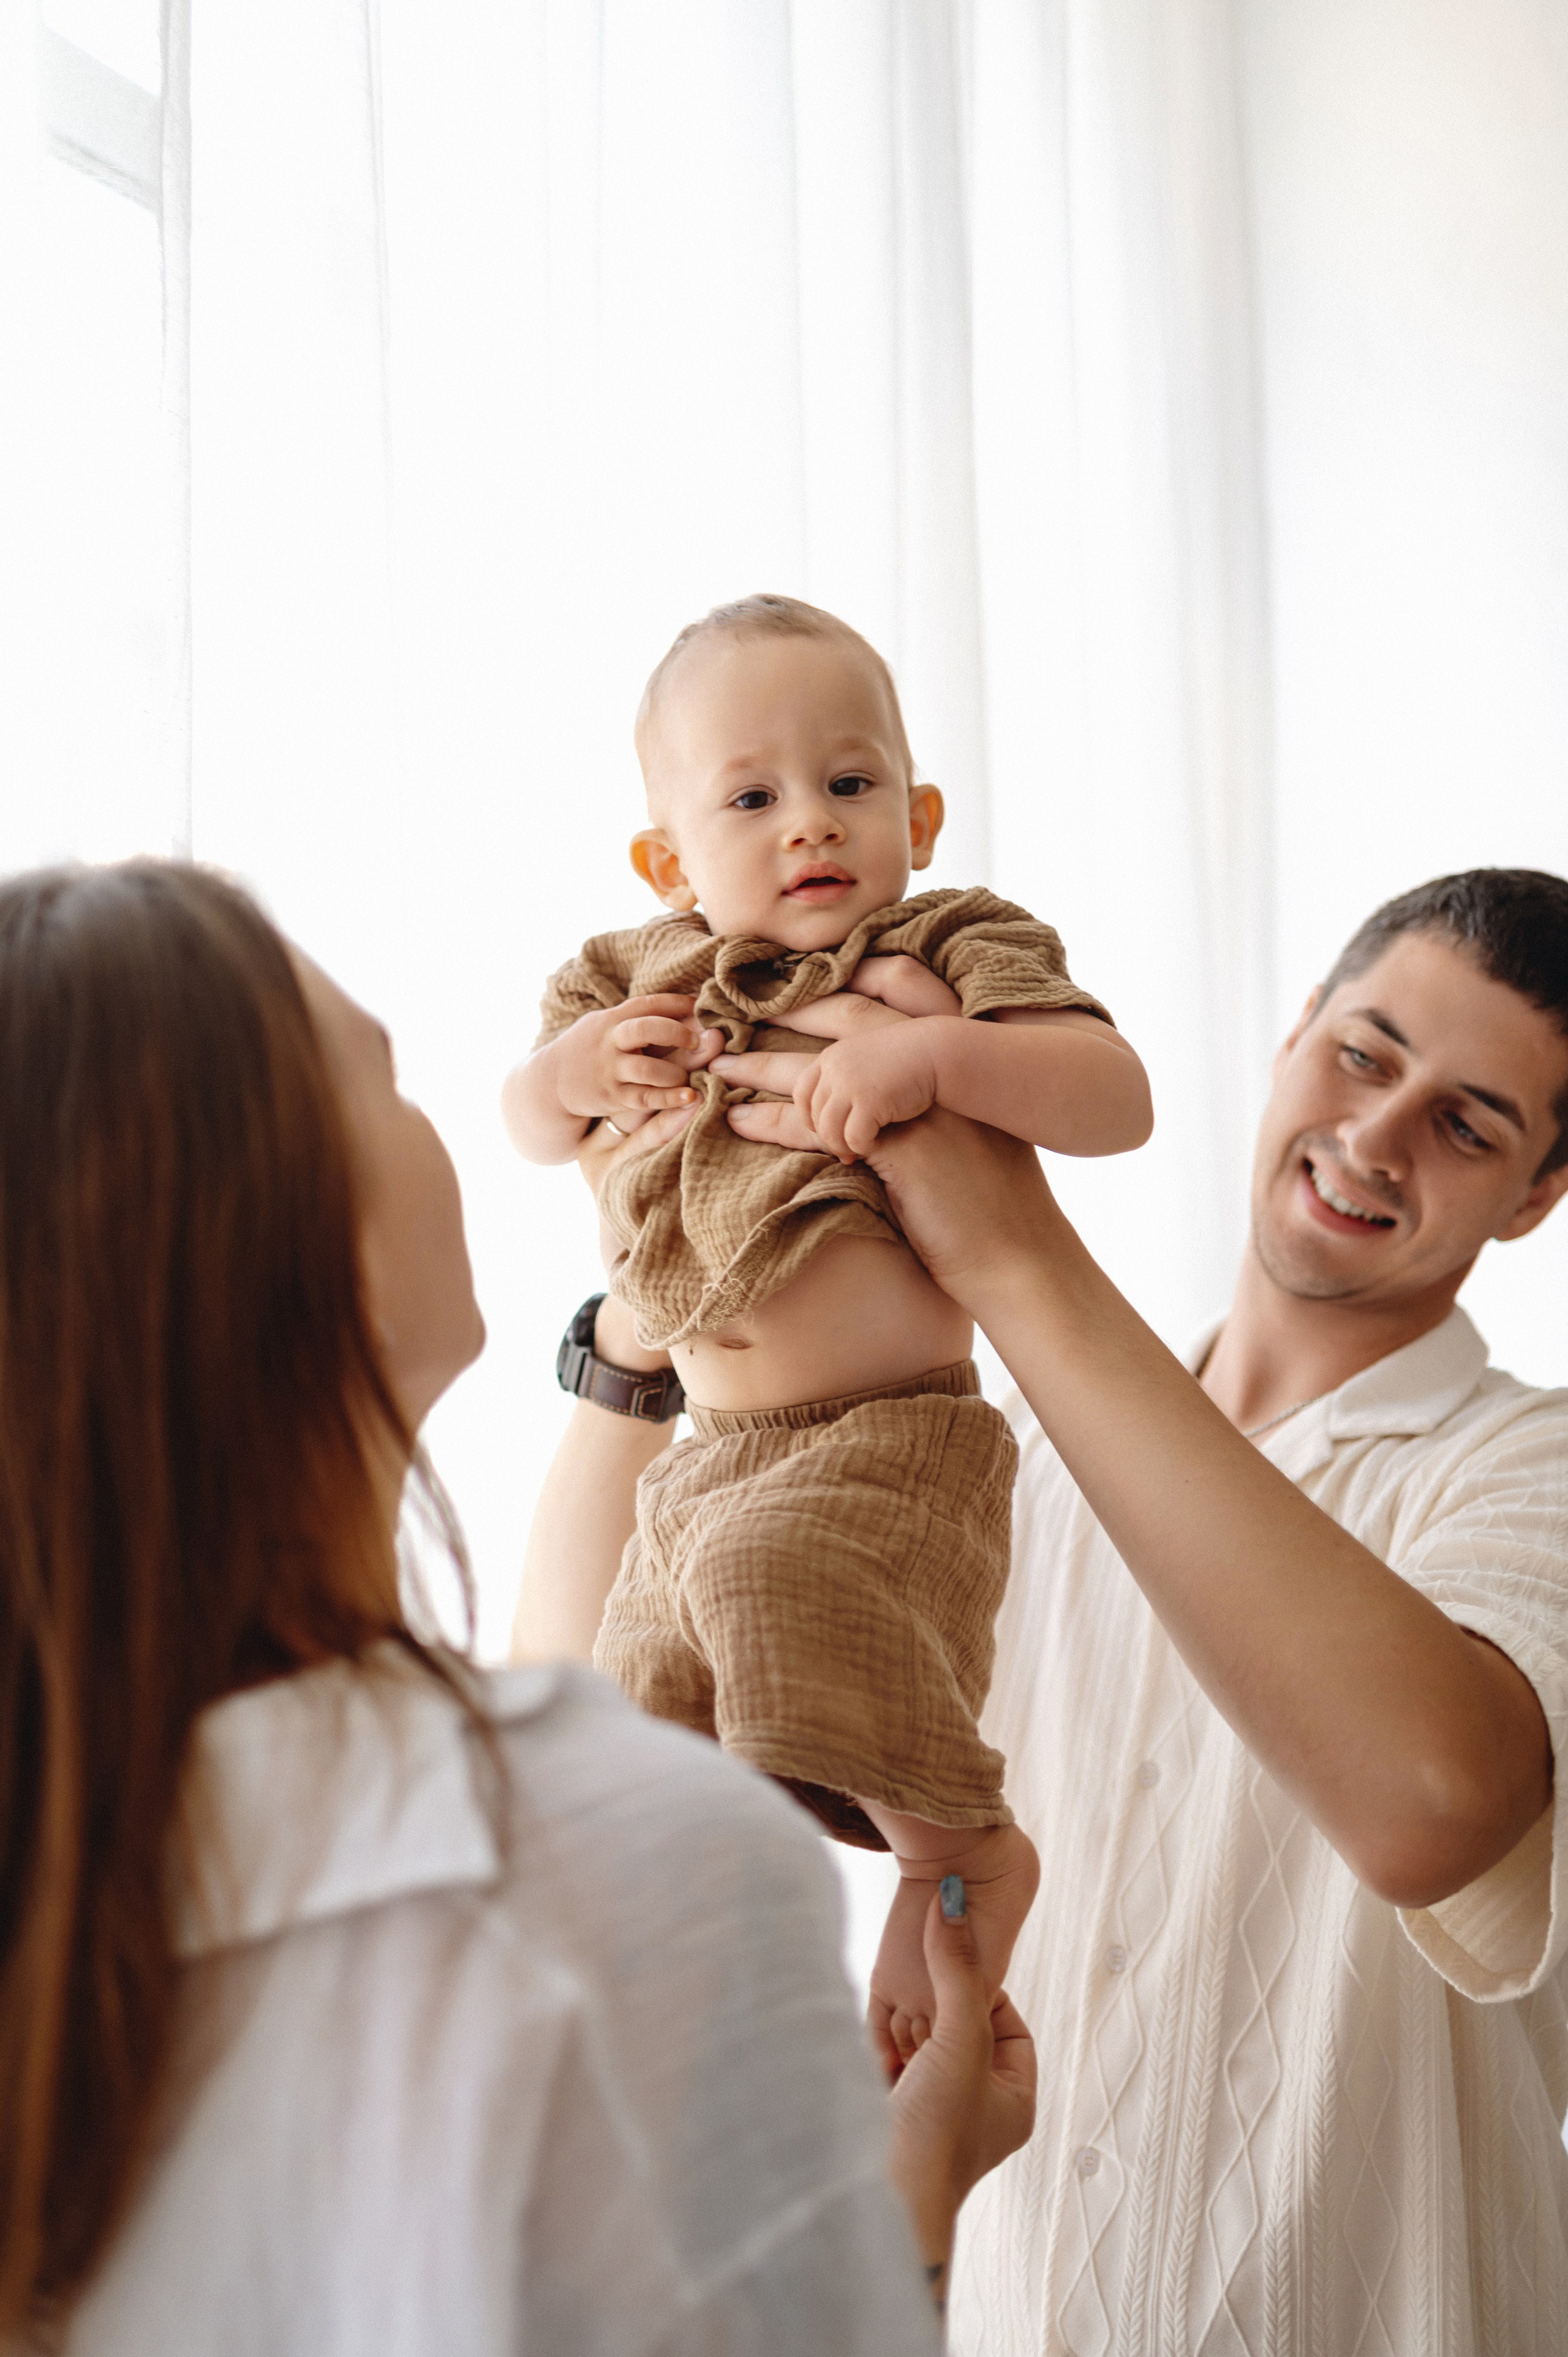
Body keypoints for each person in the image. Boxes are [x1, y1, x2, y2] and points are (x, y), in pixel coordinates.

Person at [519, 867, 1568, 2351]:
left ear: (1535, 1195)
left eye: (1467, 1123)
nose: (1373, 1135)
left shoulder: (1531, 1467)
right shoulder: (979, 1442)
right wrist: (648, 1306)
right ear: (1291, 1036)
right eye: (1361, 1053)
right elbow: (567, 1719)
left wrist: (1003, 1237)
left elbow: (1427, 1804)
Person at [0, 859, 1035, 2355]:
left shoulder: (91, 1866)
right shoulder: (639, 1869)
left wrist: (653, 1324)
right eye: (389, 1076)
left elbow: (552, 1703)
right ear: (312, 1250)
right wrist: (915, 2197)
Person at [502, 593, 1151, 2062]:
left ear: (917, 813)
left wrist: (946, 1056)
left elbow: (1115, 1096)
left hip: (888, 1433)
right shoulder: (627, 980)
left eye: (849, 784)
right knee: (633, 1713)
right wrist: (574, 1071)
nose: (811, 824)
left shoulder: (946, 944)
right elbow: (527, 1123)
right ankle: (693, 1991)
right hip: (705, 1453)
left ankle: (954, 1845)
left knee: (768, 1577)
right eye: (753, 797)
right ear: (669, 861)